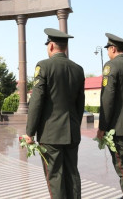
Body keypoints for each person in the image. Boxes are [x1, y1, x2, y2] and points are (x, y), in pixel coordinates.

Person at [24, 28, 85, 199]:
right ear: (64, 48)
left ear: (51, 46)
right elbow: (80, 104)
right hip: (72, 131)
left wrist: (30, 132)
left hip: (51, 134)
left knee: (55, 177)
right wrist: (75, 123)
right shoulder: (78, 69)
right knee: (72, 174)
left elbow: (36, 101)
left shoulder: (43, 66)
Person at [96, 33, 123, 199]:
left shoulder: (111, 66)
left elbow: (107, 99)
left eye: (108, 49)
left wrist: (102, 127)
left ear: (113, 48)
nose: (108, 52)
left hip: (118, 126)